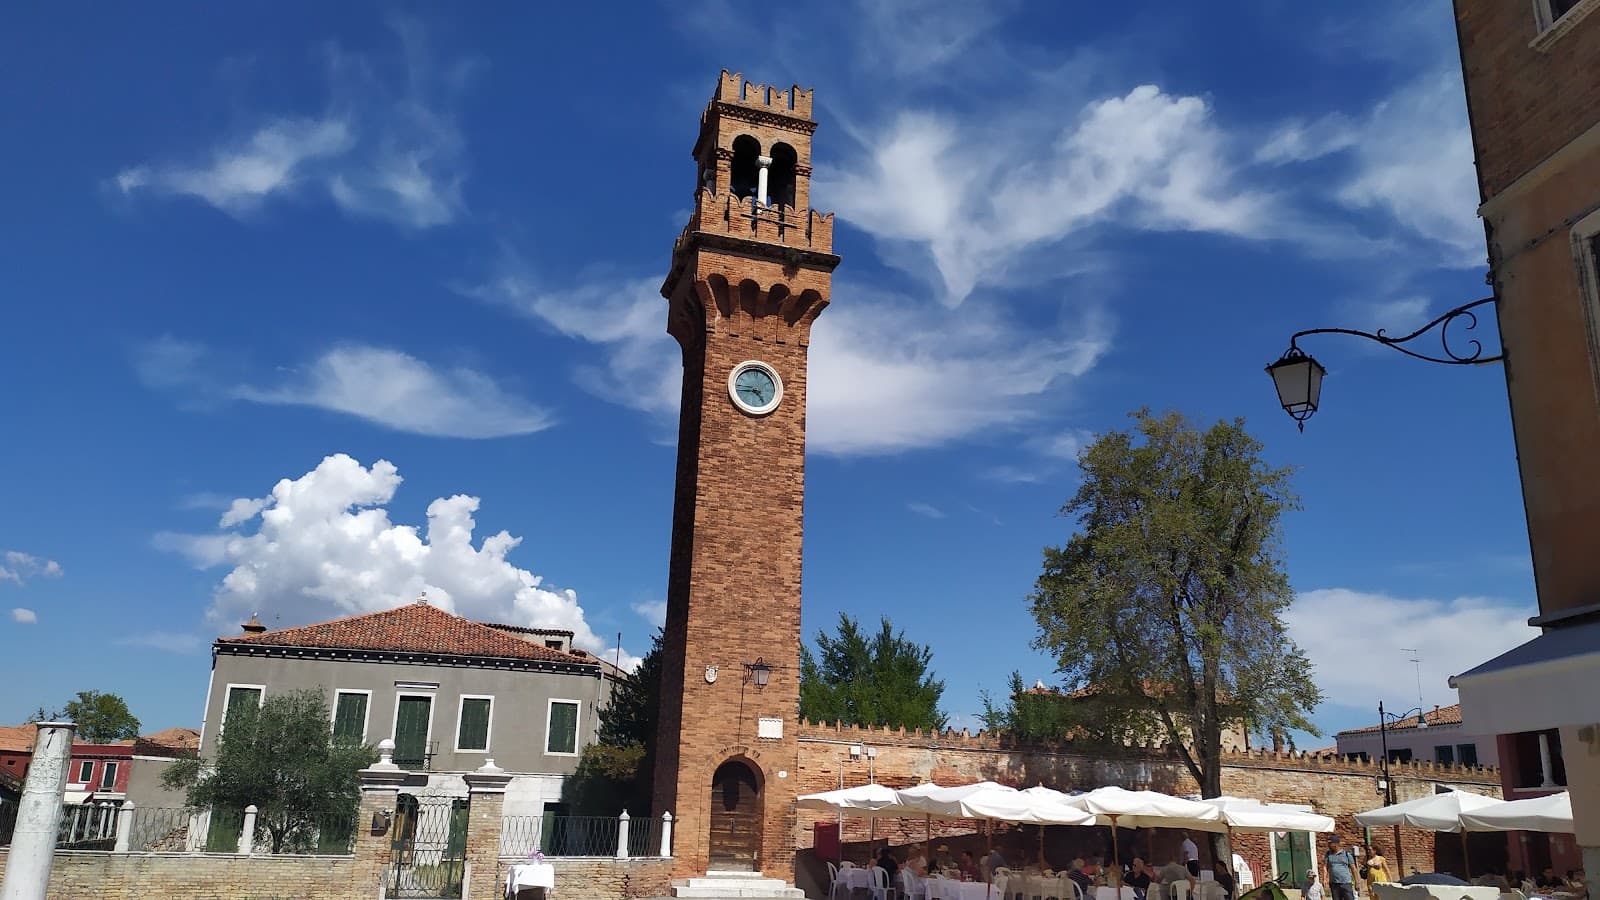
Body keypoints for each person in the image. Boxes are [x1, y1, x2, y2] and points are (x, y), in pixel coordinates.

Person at [1324, 836, 1358, 900]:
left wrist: (1357, 882)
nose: (1328, 845)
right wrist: (1325, 879)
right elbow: (1325, 867)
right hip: (1334, 884)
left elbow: (1353, 869)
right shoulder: (1328, 854)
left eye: (1330, 843)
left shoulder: (1346, 854)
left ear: (1335, 844)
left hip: (1346, 883)